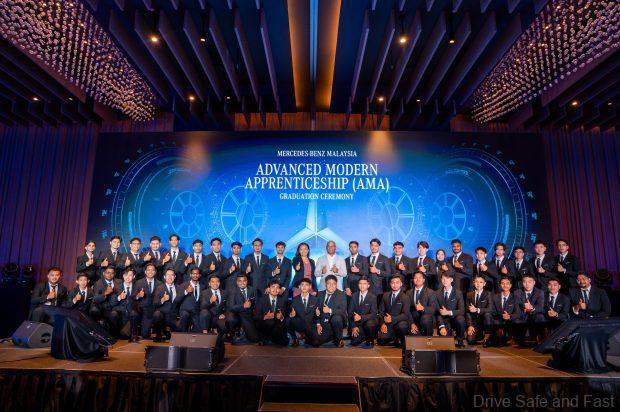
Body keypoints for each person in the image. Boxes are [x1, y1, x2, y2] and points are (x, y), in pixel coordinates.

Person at [377, 274, 411, 348]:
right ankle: (395, 338)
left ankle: (401, 338)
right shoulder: (385, 295)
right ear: (390, 284)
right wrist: (382, 324)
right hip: (388, 324)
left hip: (400, 323)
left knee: (402, 326)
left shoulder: (405, 297)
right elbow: (381, 311)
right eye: (392, 282)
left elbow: (405, 315)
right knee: (381, 341)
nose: (395, 285)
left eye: (397, 282)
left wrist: (392, 318)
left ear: (401, 284)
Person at [225, 273, 259, 343]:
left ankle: (246, 334)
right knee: (231, 319)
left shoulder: (252, 290)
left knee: (254, 339)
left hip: (248, 314)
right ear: (237, 282)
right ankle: (231, 336)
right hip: (235, 313)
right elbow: (231, 307)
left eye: (244, 281)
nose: (242, 283)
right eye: (240, 281)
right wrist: (243, 306)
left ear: (247, 281)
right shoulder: (232, 291)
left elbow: (256, 303)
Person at [314, 275, 347, 347]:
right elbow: (317, 311)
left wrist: (329, 310)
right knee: (315, 342)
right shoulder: (319, 294)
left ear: (336, 284)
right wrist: (318, 324)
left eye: (333, 283)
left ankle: (339, 339)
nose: (331, 285)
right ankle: (331, 335)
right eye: (329, 283)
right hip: (324, 322)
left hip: (336, 321)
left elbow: (343, 311)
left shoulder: (341, 294)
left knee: (336, 318)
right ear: (325, 284)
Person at [435, 272, 467, 347]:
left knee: (461, 319)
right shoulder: (437, 293)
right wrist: (442, 326)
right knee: (445, 344)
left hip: (455, 318)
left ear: (451, 280)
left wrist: (448, 312)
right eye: (443, 278)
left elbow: (462, 310)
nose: (445, 280)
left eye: (447, 278)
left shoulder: (458, 293)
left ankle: (460, 340)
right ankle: (447, 333)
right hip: (444, 320)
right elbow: (437, 312)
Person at [513, 273, 545, 346]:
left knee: (540, 317)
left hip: (534, 314)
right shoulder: (517, 292)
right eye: (524, 282)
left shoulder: (540, 292)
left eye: (529, 282)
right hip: (522, 314)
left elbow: (540, 307)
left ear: (534, 282)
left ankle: (539, 338)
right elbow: (517, 306)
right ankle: (518, 339)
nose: (527, 284)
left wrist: (532, 308)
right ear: (522, 283)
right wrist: (526, 308)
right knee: (516, 318)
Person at [152, 268, 184, 341]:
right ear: (164, 277)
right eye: (168, 275)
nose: (170, 277)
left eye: (172, 275)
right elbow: (155, 303)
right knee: (157, 314)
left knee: (179, 337)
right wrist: (163, 299)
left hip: (174, 316)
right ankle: (158, 335)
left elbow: (182, 302)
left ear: (175, 277)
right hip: (162, 316)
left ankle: (168, 332)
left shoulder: (179, 288)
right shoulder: (159, 288)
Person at [254, 280, 288, 346]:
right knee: (269, 322)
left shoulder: (282, 300)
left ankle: (272, 338)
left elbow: (285, 317)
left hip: (277, 326)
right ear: (268, 289)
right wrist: (265, 317)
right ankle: (264, 338)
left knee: (284, 342)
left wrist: (282, 317)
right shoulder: (261, 300)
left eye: (277, 287)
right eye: (273, 287)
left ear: (280, 290)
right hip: (264, 325)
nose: (275, 289)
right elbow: (256, 317)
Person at [286, 278, 319, 347]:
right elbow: (290, 313)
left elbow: (317, 316)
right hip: (300, 324)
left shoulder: (315, 300)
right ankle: (295, 338)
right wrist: (291, 314)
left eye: (306, 285)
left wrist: (318, 314)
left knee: (315, 343)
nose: (304, 287)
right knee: (288, 320)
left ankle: (305, 336)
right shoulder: (294, 300)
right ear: (299, 287)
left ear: (310, 287)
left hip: (310, 326)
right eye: (302, 285)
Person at [110, 268, 140, 342]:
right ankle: (114, 335)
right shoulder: (116, 287)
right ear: (123, 276)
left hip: (132, 311)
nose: (127, 277)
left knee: (134, 313)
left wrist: (138, 297)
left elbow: (139, 302)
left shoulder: (137, 287)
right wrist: (119, 297)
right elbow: (112, 303)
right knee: (113, 314)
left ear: (133, 277)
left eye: (130, 275)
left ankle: (134, 335)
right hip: (120, 312)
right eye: (126, 275)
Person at [134, 263, 162, 339]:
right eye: (148, 270)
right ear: (145, 272)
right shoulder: (138, 282)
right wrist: (138, 296)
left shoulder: (160, 283)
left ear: (155, 272)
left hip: (155, 309)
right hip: (144, 310)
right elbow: (133, 297)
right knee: (145, 335)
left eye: (152, 270)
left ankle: (159, 333)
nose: (150, 272)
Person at [489, 277, 520, 346]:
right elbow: (492, 311)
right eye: (502, 283)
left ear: (510, 285)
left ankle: (513, 337)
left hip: (510, 321)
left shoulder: (515, 297)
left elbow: (518, 312)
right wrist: (501, 315)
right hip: (498, 320)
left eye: (507, 283)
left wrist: (509, 316)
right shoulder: (495, 297)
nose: (505, 285)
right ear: (500, 285)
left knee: (517, 320)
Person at [348, 276, 378, 347]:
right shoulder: (354, 296)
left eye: (364, 283)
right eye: (360, 283)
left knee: (369, 324)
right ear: (358, 285)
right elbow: (350, 313)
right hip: (357, 324)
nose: (362, 285)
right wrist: (353, 326)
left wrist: (361, 317)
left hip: (368, 323)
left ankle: (370, 340)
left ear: (368, 285)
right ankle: (364, 336)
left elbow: (373, 314)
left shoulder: (373, 297)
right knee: (354, 342)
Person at [406, 271, 436, 337]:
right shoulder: (408, 293)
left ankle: (428, 339)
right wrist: (412, 323)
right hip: (414, 320)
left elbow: (433, 309)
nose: (418, 279)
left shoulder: (430, 292)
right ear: (413, 280)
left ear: (423, 280)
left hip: (426, 320)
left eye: (420, 277)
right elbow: (407, 310)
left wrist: (423, 308)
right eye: (415, 278)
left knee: (425, 319)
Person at [465, 275, 493, 346]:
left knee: (487, 314)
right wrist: (470, 325)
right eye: (476, 282)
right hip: (475, 322)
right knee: (470, 341)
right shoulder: (469, 295)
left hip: (485, 321)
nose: (478, 284)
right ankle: (479, 335)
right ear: (473, 283)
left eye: (481, 282)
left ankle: (487, 337)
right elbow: (467, 312)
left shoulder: (488, 294)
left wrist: (477, 310)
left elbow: (490, 309)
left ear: (484, 284)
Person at [179, 267, 203, 332]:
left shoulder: (203, 286)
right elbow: (177, 299)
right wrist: (186, 291)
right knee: (184, 316)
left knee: (199, 330)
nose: (195, 275)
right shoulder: (183, 285)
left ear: (199, 275)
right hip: (185, 310)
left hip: (197, 311)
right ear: (190, 275)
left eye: (197, 274)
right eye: (193, 273)